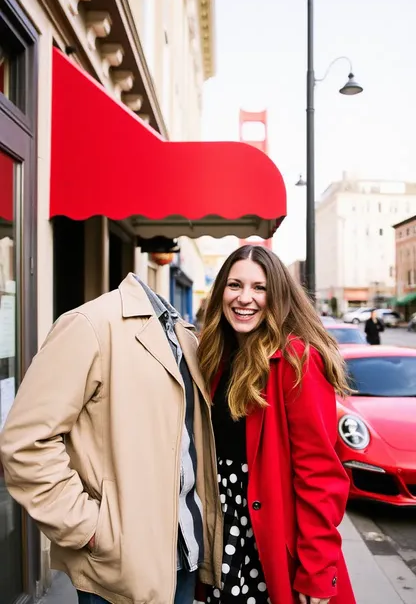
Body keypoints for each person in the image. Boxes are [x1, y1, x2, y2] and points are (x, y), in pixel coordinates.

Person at [0, 274, 223, 604]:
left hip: (183, 557)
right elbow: (25, 443)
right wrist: (89, 528)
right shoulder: (89, 326)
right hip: (119, 565)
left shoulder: (184, 338)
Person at [197, 245, 356, 604]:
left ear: (277, 296)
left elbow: (320, 473)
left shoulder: (297, 360)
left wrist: (317, 569)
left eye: (259, 288)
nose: (245, 298)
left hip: (271, 538)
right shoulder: (216, 357)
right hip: (224, 530)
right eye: (235, 285)